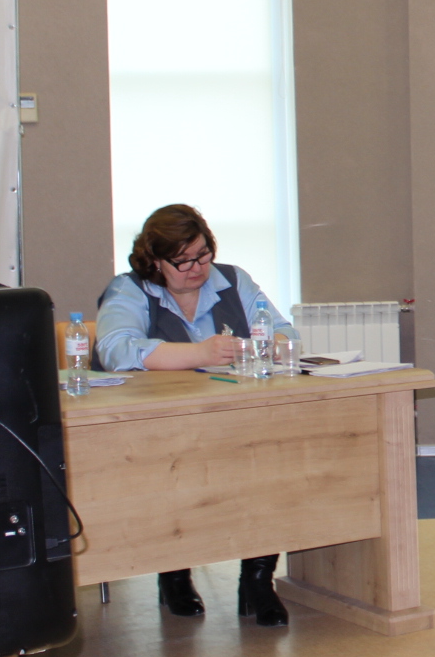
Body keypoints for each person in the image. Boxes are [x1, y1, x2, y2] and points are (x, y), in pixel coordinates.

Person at [96, 203, 298, 627]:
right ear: (155, 261)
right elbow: (115, 349)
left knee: (269, 467)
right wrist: (199, 353)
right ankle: (174, 575)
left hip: (237, 416)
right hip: (161, 425)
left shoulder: (233, 280)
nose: (197, 268)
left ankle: (258, 580)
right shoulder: (130, 289)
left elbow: (284, 332)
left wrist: (268, 346)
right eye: (182, 261)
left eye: (203, 254)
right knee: (174, 476)